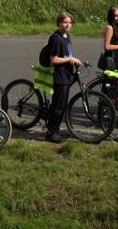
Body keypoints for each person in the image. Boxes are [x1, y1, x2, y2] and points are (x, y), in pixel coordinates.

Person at [44, 12, 84, 143]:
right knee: (58, 105)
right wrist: (71, 59)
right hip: (59, 75)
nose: (68, 25)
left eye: (70, 22)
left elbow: (67, 55)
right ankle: (51, 133)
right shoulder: (55, 38)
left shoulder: (66, 36)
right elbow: (54, 60)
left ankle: (56, 129)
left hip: (66, 73)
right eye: (65, 22)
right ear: (59, 23)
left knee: (63, 104)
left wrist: (74, 60)